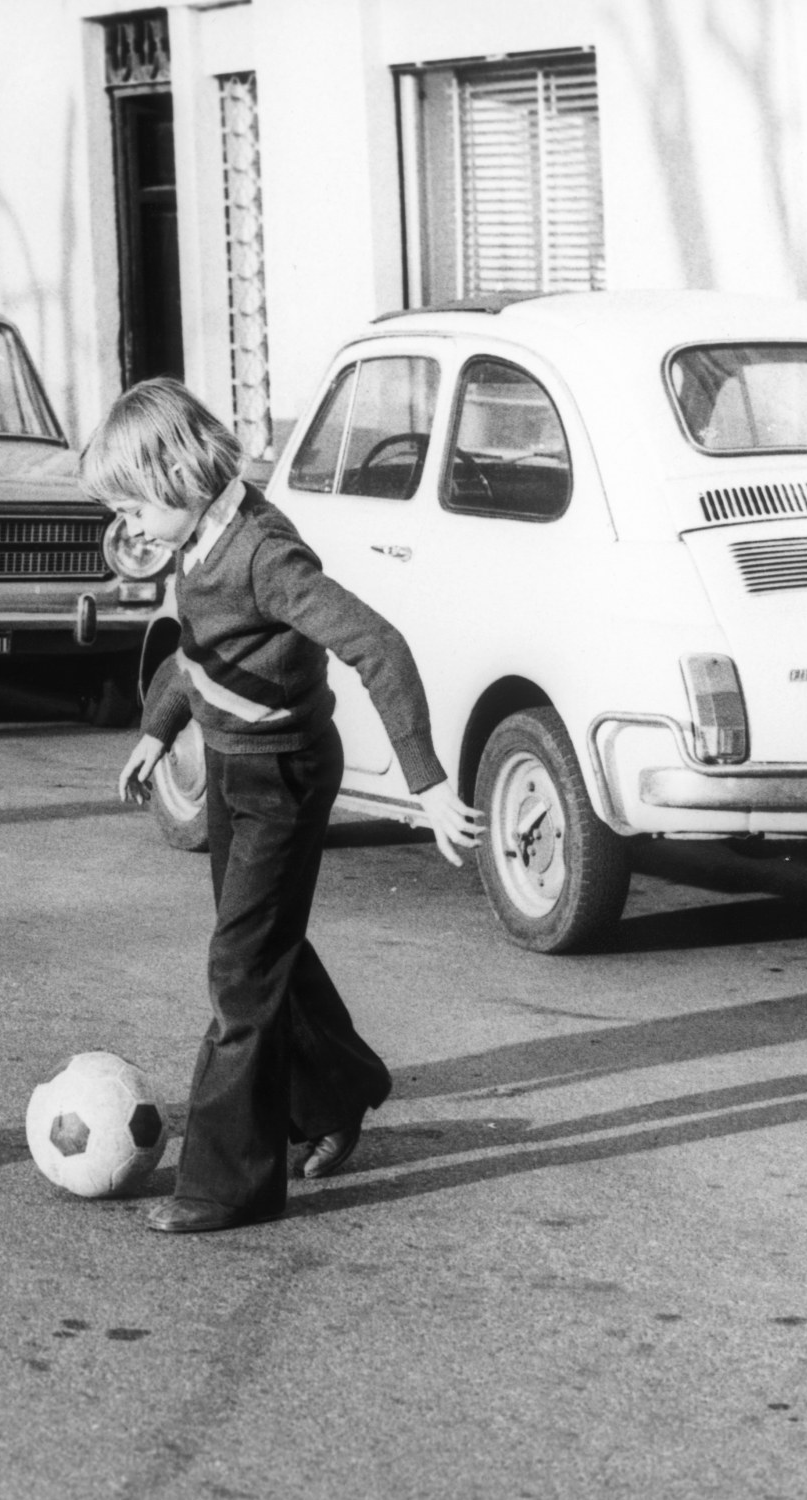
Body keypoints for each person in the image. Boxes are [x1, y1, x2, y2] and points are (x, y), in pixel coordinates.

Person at [85, 377, 482, 1235]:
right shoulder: (195, 544)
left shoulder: (264, 553)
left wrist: (430, 783)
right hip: (234, 765)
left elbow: (378, 645)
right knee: (262, 944)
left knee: (240, 969)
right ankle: (342, 1087)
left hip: (286, 777)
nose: (129, 529)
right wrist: (156, 733)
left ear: (179, 478)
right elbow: (197, 652)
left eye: (132, 507)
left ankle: (225, 1185)